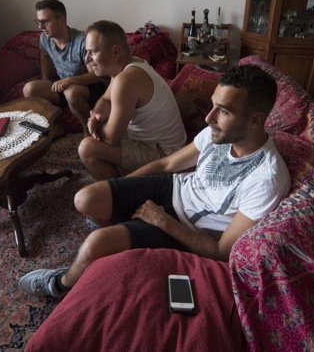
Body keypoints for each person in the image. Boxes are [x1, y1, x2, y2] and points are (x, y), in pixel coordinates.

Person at [18, 64, 291, 297]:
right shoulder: (217, 133)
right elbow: (166, 164)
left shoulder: (267, 178)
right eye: (213, 106)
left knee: (94, 244)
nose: (209, 118)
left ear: (255, 120)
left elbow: (221, 251)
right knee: (86, 198)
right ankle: (117, 247)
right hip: (174, 188)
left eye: (223, 111)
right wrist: (121, 190)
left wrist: (161, 220)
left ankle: (61, 285)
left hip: (187, 228)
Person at [79, 20, 186, 180]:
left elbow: (112, 137)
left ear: (115, 51)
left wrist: (94, 126)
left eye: (93, 52)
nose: (87, 58)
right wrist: (96, 115)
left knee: (87, 148)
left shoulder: (127, 79)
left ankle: (122, 192)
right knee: (97, 128)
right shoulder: (126, 66)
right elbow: (106, 100)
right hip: (151, 142)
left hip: (165, 154)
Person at [22, 0, 106, 137]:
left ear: (61, 20)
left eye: (45, 22)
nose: (41, 27)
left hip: (90, 87)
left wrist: (70, 81)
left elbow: (96, 75)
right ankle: (55, 127)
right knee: (29, 89)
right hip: (64, 85)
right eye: (38, 22)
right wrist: (45, 79)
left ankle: (88, 131)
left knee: (71, 92)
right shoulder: (45, 38)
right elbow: (44, 55)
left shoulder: (82, 41)